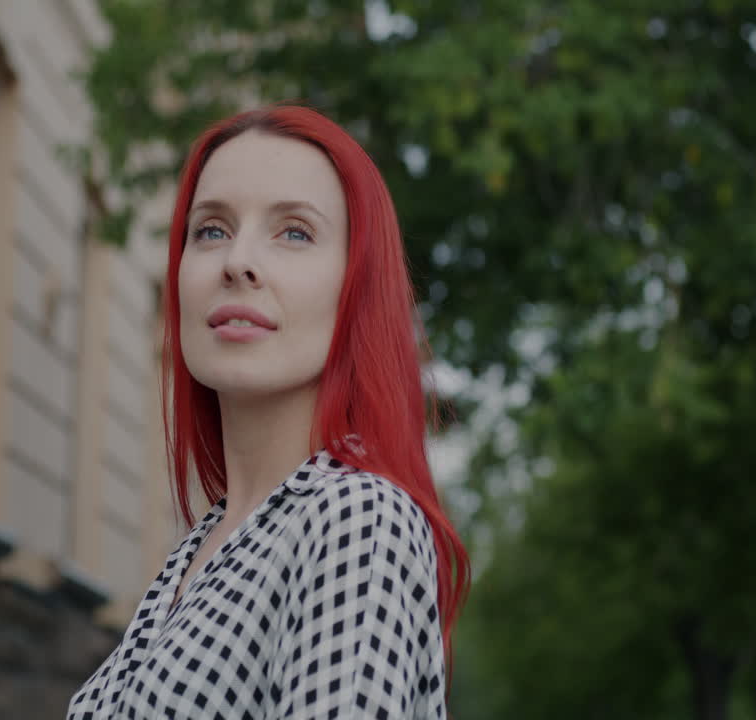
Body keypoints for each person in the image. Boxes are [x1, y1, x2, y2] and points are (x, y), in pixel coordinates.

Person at [67, 105, 470, 719]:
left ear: (355, 290)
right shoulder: (203, 547)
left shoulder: (356, 518)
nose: (238, 261)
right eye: (211, 230)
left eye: (295, 232)